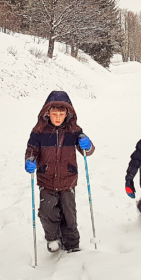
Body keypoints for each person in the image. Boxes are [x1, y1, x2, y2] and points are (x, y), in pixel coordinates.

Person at [25, 91, 94, 253]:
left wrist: (87, 144)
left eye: (61, 113)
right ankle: (53, 238)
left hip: (67, 179)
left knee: (69, 214)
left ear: (67, 114)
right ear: (47, 113)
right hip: (46, 179)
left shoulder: (74, 131)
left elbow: (87, 151)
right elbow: (31, 150)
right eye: (54, 113)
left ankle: (71, 242)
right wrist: (30, 159)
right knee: (46, 212)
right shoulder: (38, 132)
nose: (57, 117)